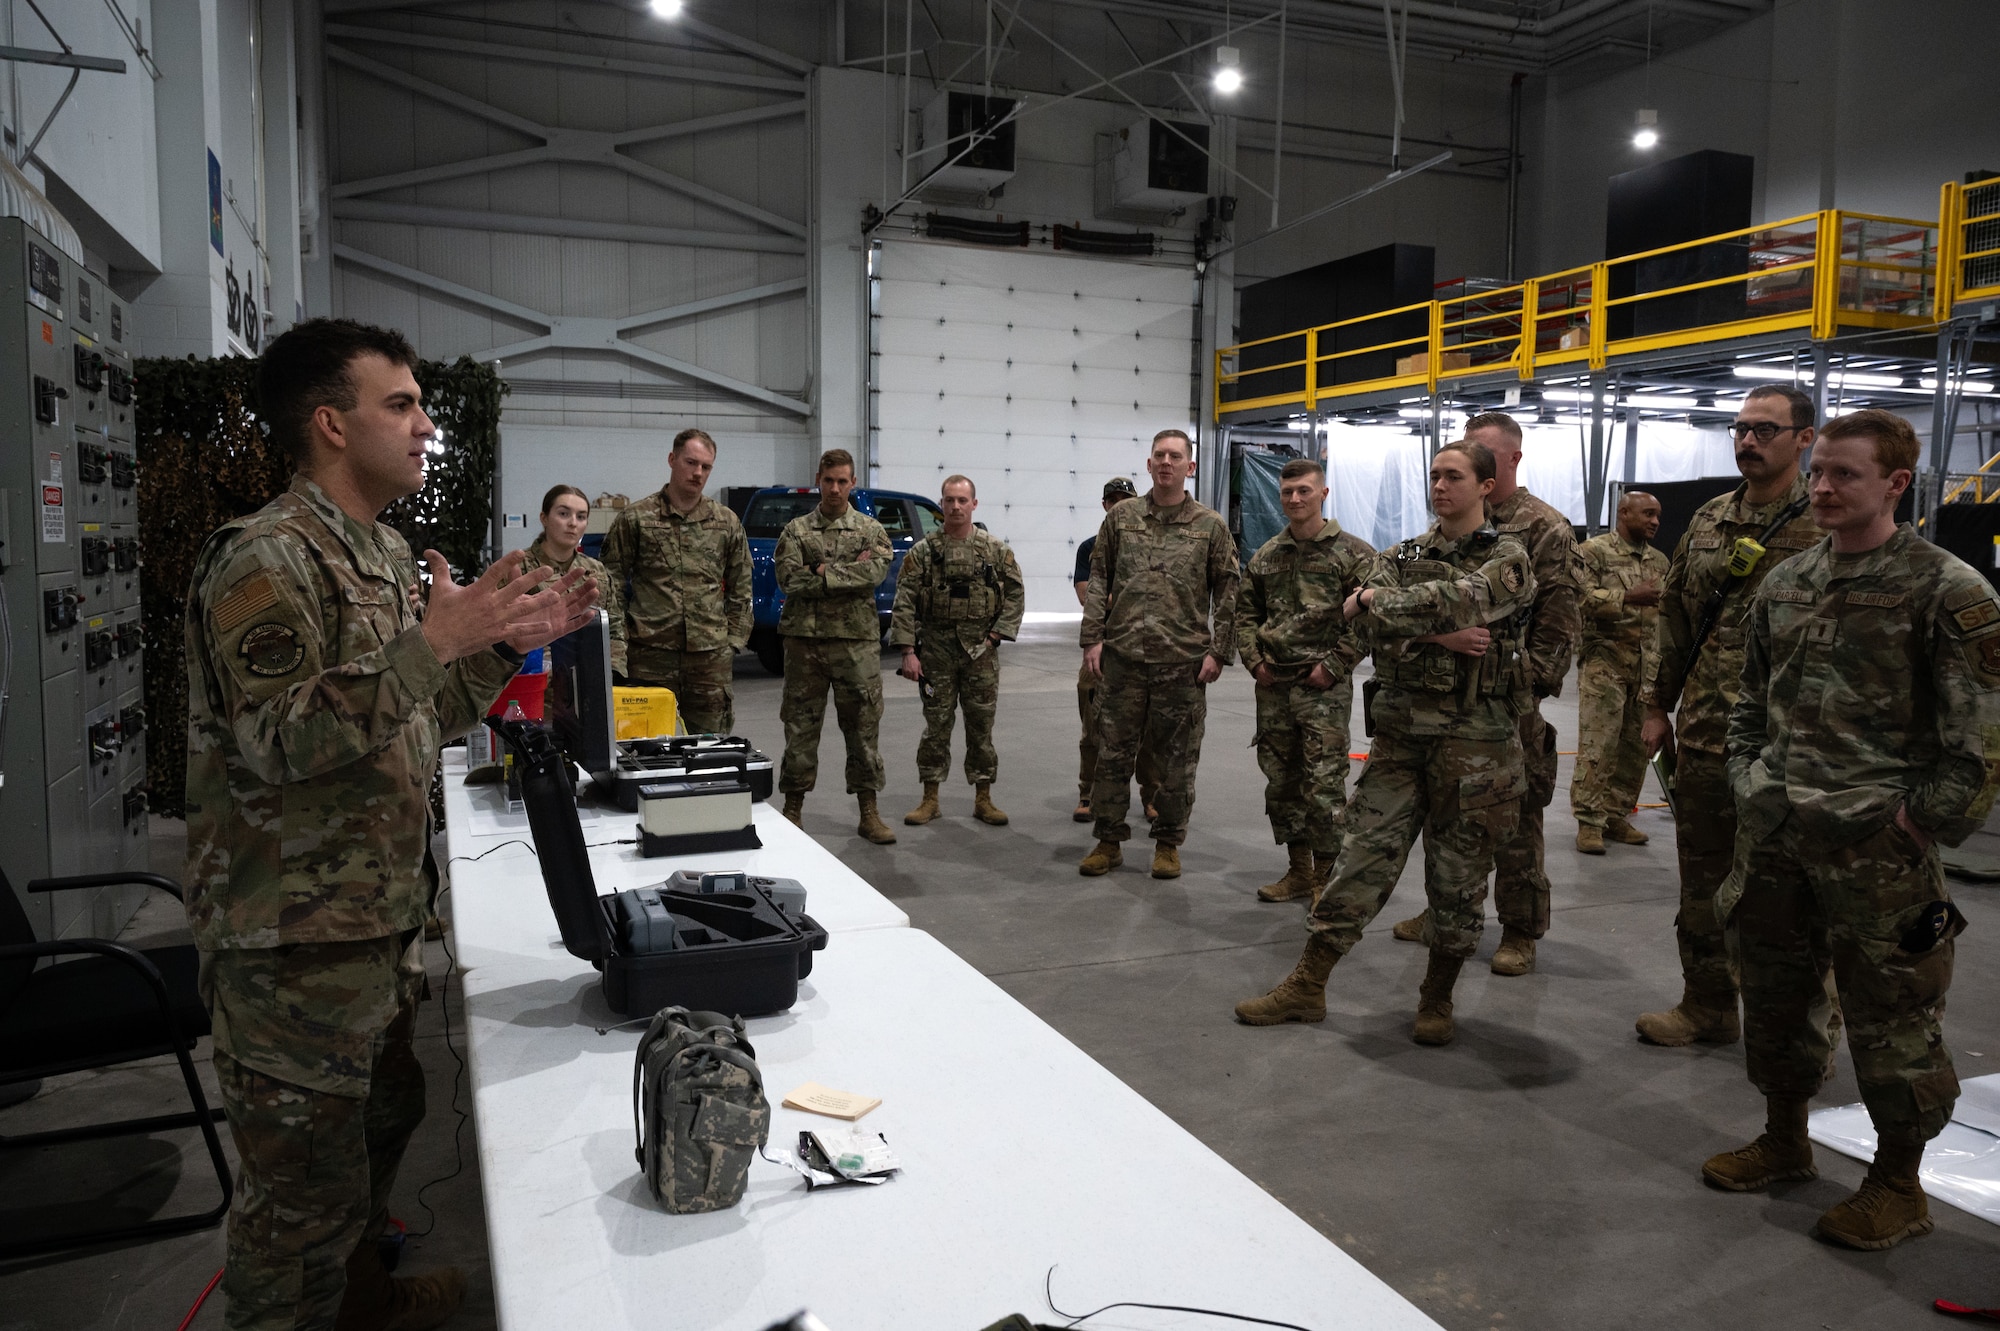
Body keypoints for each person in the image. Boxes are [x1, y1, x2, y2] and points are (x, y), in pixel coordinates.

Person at [182, 319, 598, 1330]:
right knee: (297, 1209)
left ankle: (361, 1303)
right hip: (289, 946)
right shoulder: (265, 561)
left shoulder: (378, 549)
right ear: (330, 423)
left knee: (379, 1127)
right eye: (399, 404)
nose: (423, 425)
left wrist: (496, 649)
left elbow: (418, 711)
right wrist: (434, 639)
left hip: (372, 923)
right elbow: (281, 740)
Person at [1705, 409, 1999, 1250]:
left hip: (1879, 851)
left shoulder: (1948, 589)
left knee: (1893, 1017)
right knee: (1774, 996)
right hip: (1779, 833)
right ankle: (1785, 1138)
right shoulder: (1787, 580)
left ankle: (1898, 1185)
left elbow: (1980, 738)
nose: (1823, 488)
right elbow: (1746, 705)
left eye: (1844, 476)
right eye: (1820, 472)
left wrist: (1918, 823)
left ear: (1897, 485)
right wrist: (1748, 778)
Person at [1235, 441, 1534, 1044]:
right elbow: (1362, 624)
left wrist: (1377, 602)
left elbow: (1468, 599)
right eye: (1435, 475)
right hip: (1400, 741)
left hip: (1476, 746)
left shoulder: (1508, 556)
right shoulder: (1403, 553)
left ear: (1485, 485)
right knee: (1357, 859)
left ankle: (1436, 997)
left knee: (1458, 878)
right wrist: (1438, 636)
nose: (1440, 486)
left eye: (1454, 476)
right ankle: (1308, 986)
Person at [1634, 385, 1828, 1047]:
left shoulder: (1826, 521)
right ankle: (1707, 1003)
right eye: (1741, 428)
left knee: (1793, 895)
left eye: (1765, 430)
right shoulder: (1711, 519)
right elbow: (1675, 617)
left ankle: (1806, 1033)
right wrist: (1656, 704)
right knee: (1704, 884)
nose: (1748, 440)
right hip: (1708, 738)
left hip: (1795, 750)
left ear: (1804, 438)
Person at [1391, 411, 1579, 977]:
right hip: (1439, 699)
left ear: (1511, 461)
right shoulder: (1438, 530)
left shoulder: (1544, 527)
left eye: (1482, 455)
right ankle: (1443, 910)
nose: (1462, 467)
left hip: (1508, 702)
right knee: (1445, 814)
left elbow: (1561, 619)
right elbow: (1401, 589)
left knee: (1516, 818)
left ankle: (1520, 929)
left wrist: (1526, 690)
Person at [1077, 429, 1240, 880]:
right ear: (1148, 465)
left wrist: (1219, 651)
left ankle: (1168, 843)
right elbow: (1099, 578)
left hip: (1182, 663)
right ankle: (1108, 841)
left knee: (1176, 761)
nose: (1165, 462)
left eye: (1175, 456)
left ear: (1190, 467)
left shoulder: (1210, 526)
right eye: (1158, 455)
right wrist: (1093, 638)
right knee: (1111, 754)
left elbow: (1228, 589)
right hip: (1123, 659)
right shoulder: (1121, 519)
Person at [1236, 458, 1377, 902]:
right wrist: (1254, 660)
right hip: (1273, 686)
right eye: (1287, 492)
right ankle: (1298, 871)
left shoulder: (1353, 553)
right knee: (1282, 784)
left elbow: (1371, 619)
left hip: (1322, 689)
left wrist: (1334, 666)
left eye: (1304, 491)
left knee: (1324, 786)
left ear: (1323, 494)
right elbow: (1245, 613)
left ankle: (1325, 879)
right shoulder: (1267, 555)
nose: (1294, 499)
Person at [774, 449, 897, 843]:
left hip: (855, 647)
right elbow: (788, 579)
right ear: (819, 479)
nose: (835, 488)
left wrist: (822, 570)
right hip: (804, 646)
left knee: (863, 729)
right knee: (800, 729)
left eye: (843, 481)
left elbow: (876, 571)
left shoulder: (870, 530)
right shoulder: (795, 530)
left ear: (853, 483)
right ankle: (792, 810)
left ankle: (869, 812)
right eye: (829, 480)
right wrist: (847, 572)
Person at [889, 474, 1026, 826]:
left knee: (981, 727)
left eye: (962, 500)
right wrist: (908, 650)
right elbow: (904, 600)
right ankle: (930, 799)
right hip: (936, 652)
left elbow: (1015, 594)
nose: (955, 507)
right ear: (942, 504)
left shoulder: (996, 550)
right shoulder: (925, 551)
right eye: (949, 500)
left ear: (974, 504)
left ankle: (983, 798)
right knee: (936, 727)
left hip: (981, 652)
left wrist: (996, 637)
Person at [599, 428, 752, 735]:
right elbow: (610, 582)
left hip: (709, 658)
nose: (697, 473)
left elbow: (741, 584)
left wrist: (733, 641)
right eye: (690, 462)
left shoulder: (726, 522)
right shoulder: (636, 518)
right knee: (646, 748)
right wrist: (618, 642)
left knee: (711, 749)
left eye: (705, 467)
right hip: (649, 655)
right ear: (672, 459)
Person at [1571, 489, 1669, 852]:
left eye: (1657, 515)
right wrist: (1627, 598)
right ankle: (1589, 822)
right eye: (1647, 514)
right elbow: (1577, 597)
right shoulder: (1594, 551)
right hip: (1605, 662)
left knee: (1632, 747)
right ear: (1623, 513)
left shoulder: (1659, 561)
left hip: (1645, 665)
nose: (1654, 521)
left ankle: (1616, 815)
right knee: (1599, 743)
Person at [1074, 476, 1162, 825]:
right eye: (1113, 500)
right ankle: (1088, 793)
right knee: (1094, 727)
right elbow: (1086, 594)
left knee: (1148, 729)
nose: (1119, 504)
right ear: (1105, 505)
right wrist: (1129, 598)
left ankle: (1151, 796)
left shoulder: (1150, 543)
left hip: (1144, 647)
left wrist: (1115, 599)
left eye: (1126, 499)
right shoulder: (1091, 546)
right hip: (1103, 645)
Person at [521, 483, 619, 621]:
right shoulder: (520, 567)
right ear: (544, 518)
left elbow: (614, 626)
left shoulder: (596, 570)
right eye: (563, 514)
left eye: (581, 517)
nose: (573, 523)